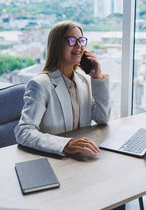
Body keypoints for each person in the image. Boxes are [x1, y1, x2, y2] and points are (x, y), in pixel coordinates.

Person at [14, 21, 111, 156]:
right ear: (57, 46)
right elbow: (23, 132)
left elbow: (102, 118)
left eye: (81, 40)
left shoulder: (83, 81)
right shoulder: (40, 85)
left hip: (81, 155)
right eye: (71, 40)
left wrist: (98, 78)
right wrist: (66, 145)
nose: (78, 45)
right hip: (54, 157)